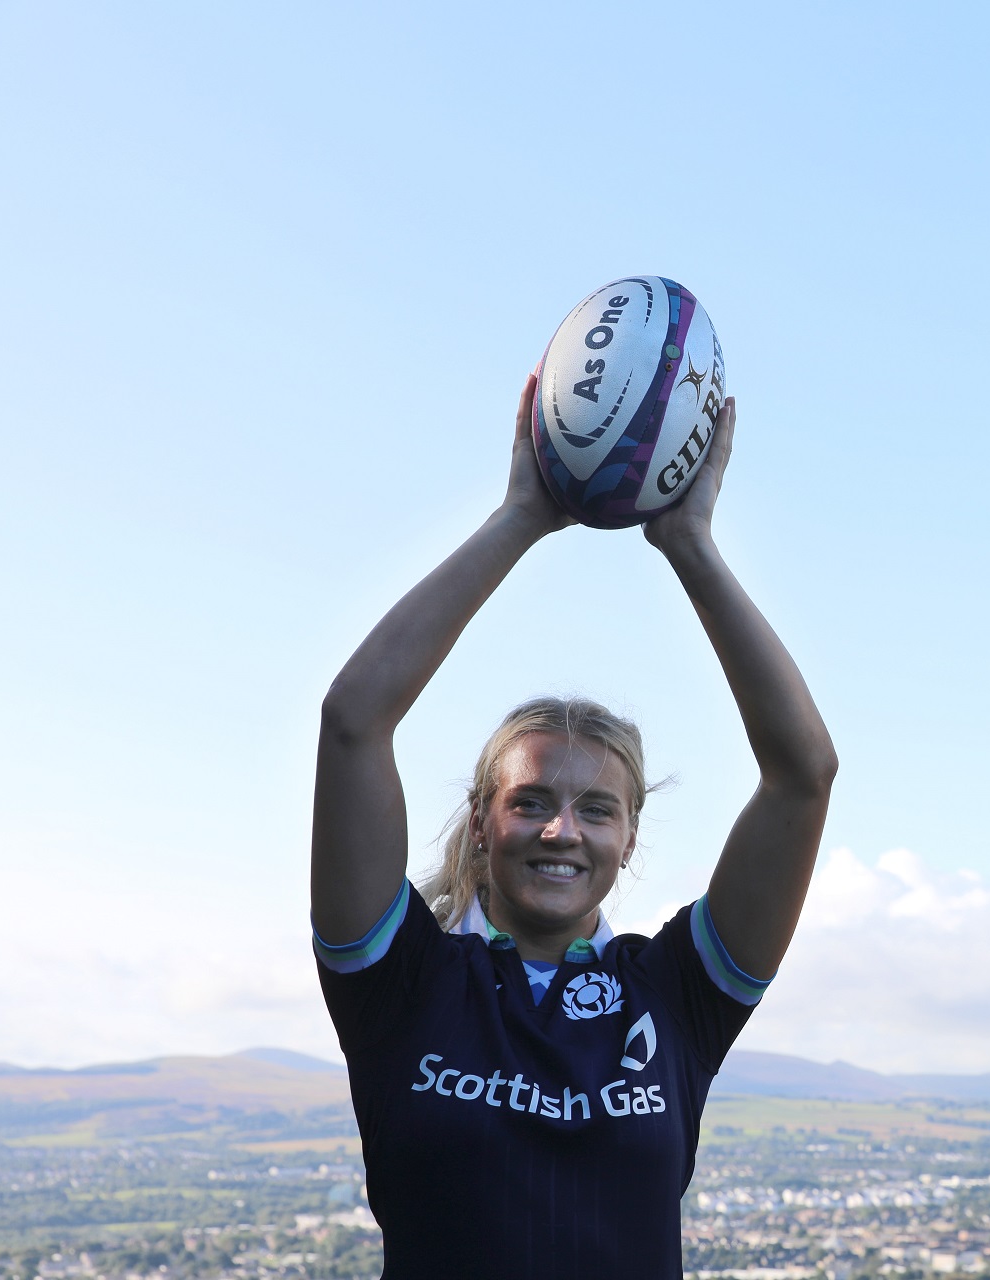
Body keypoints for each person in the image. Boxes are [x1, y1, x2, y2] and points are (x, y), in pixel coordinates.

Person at [309, 376, 836, 1278]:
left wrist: (690, 545)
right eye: (531, 802)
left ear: (629, 839)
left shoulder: (675, 996)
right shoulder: (404, 984)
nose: (563, 832)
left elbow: (803, 774)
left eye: (597, 809)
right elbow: (354, 720)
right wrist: (524, 515)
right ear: (482, 822)